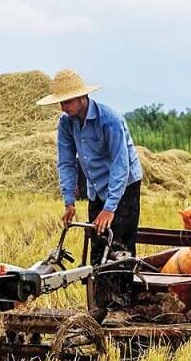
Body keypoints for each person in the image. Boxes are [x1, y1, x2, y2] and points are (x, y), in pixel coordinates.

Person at [36, 69, 143, 266]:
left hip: (125, 186)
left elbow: (121, 166)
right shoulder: (66, 123)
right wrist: (69, 202)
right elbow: (66, 163)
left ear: (81, 97)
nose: (63, 107)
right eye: (60, 102)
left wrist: (110, 208)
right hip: (96, 187)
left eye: (66, 102)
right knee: (98, 249)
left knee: (119, 251)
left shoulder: (110, 120)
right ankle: (99, 295)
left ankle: (122, 295)